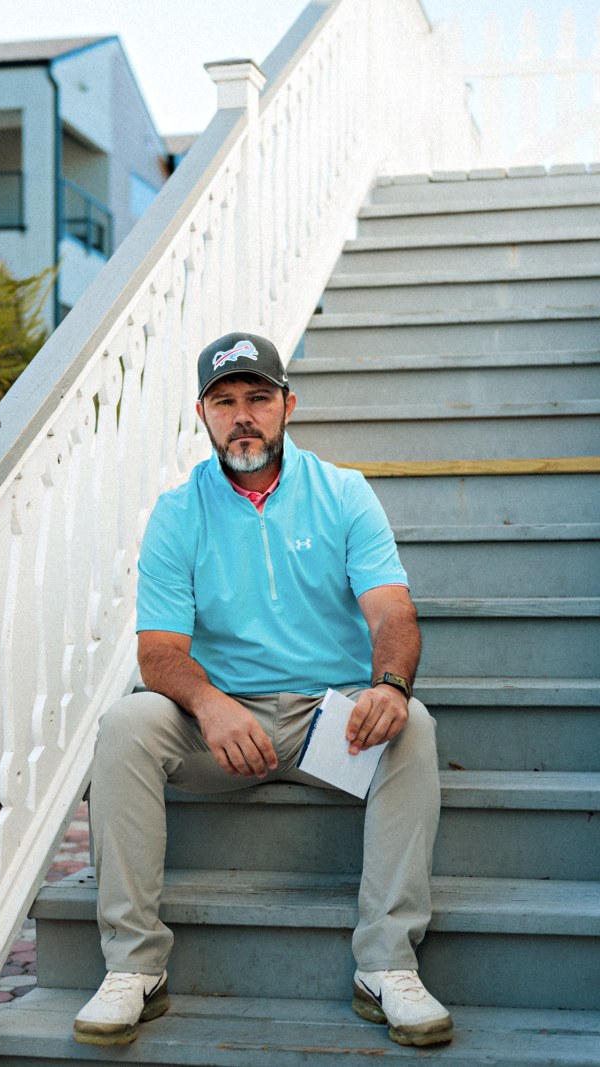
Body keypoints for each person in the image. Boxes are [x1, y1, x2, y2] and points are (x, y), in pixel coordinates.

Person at [73, 331, 453, 1049]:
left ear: (287, 405)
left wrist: (390, 687)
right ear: (203, 412)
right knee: (126, 725)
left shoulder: (343, 492)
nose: (242, 415)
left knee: (416, 725)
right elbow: (158, 652)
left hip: (328, 727)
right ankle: (133, 968)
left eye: (258, 397)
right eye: (225, 401)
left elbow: (392, 612)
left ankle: (387, 966)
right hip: (223, 733)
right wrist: (210, 703)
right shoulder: (178, 512)